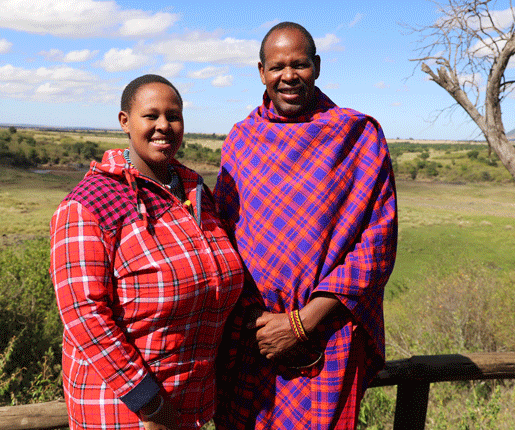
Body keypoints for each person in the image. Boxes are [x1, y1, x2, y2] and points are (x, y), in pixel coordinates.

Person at [213, 22, 398, 430]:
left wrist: (303, 322)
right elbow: (222, 236)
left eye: (300, 65)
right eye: (277, 66)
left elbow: (377, 243)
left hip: (327, 336)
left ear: (317, 66)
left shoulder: (357, 136)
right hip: (254, 339)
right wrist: (262, 324)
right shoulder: (242, 140)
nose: (288, 76)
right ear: (261, 72)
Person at [50, 74, 244, 430]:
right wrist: (149, 404)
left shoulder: (194, 191)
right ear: (124, 122)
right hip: (126, 410)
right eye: (150, 116)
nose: (164, 126)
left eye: (174, 116)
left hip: (192, 404)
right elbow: (85, 316)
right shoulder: (88, 205)